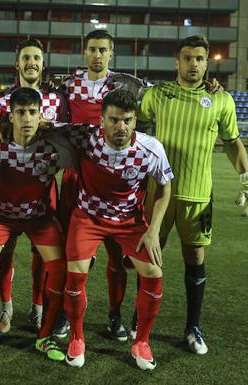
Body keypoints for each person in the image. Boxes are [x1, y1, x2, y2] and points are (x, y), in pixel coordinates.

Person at [138, 35, 248, 355]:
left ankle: (193, 327)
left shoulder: (221, 100)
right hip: (158, 192)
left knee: (195, 258)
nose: (194, 64)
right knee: (149, 254)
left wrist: (247, 179)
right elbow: (129, 119)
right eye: (188, 58)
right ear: (176, 62)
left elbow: (232, 141)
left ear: (207, 62)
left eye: (200, 59)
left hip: (198, 196)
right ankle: (140, 321)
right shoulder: (158, 94)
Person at [62, 89, 173, 370]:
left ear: (135, 121)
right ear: (101, 120)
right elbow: (46, 129)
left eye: (127, 120)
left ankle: (142, 342)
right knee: (75, 273)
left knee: (153, 273)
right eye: (113, 120)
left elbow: (164, 187)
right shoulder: (83, 137)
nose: (120, 127)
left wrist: (153, 229)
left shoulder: (151, 148)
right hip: (88, 216)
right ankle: (77, 338)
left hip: (129, 221)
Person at [0, 87, 73, 362]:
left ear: (41, 116)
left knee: (60, 268)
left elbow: (87, 135)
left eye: (32, 113)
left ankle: (45, 337)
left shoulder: (53, 147)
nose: (27, 118)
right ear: (10, 117)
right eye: (21, 113)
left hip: (38, 218)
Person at [60, 29, 150, 342]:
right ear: (84, 52)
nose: (97, 55)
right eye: (92, 49)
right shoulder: (68, 84)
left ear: (111, 53)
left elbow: (157, 99)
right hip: (77, 175)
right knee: (68, 250)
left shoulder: (128, 84)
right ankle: (63, 313)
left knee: (116, 254)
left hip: (114, 176)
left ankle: (115, 314)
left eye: (103, 50)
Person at [0, 38, 68, 336]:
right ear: (17, 64)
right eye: (26, 57)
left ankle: (38, 308)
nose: (31, 62)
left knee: (41, 253)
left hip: (42, 188)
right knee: (3, 251)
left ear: (43, 64)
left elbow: (66, 138)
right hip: (5, 188)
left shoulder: (58, 100)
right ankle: (5, 306)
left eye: (36, 57)